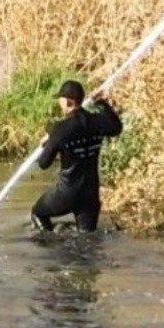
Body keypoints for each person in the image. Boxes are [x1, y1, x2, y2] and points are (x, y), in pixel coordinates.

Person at [31, 80, 124, 233]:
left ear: (67, 101)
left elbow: (43, 163)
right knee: (87, 239)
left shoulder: (60, 129)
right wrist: (101, 103)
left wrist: (48, 142)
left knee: (38, 213)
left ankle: (51, 245)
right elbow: (116, 128)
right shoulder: (98, 121)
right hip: (90, 194)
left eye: (60, 99)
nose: (59, 103)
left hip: (66, 194)